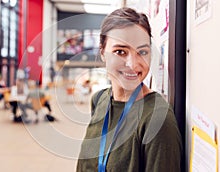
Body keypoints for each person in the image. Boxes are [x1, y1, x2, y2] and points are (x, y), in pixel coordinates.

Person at [76, 7, 182, 172]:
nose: (133, 64)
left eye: (142, 51)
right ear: (103, 52)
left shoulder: (157, 120)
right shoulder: (99, 99)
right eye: (120, 51)